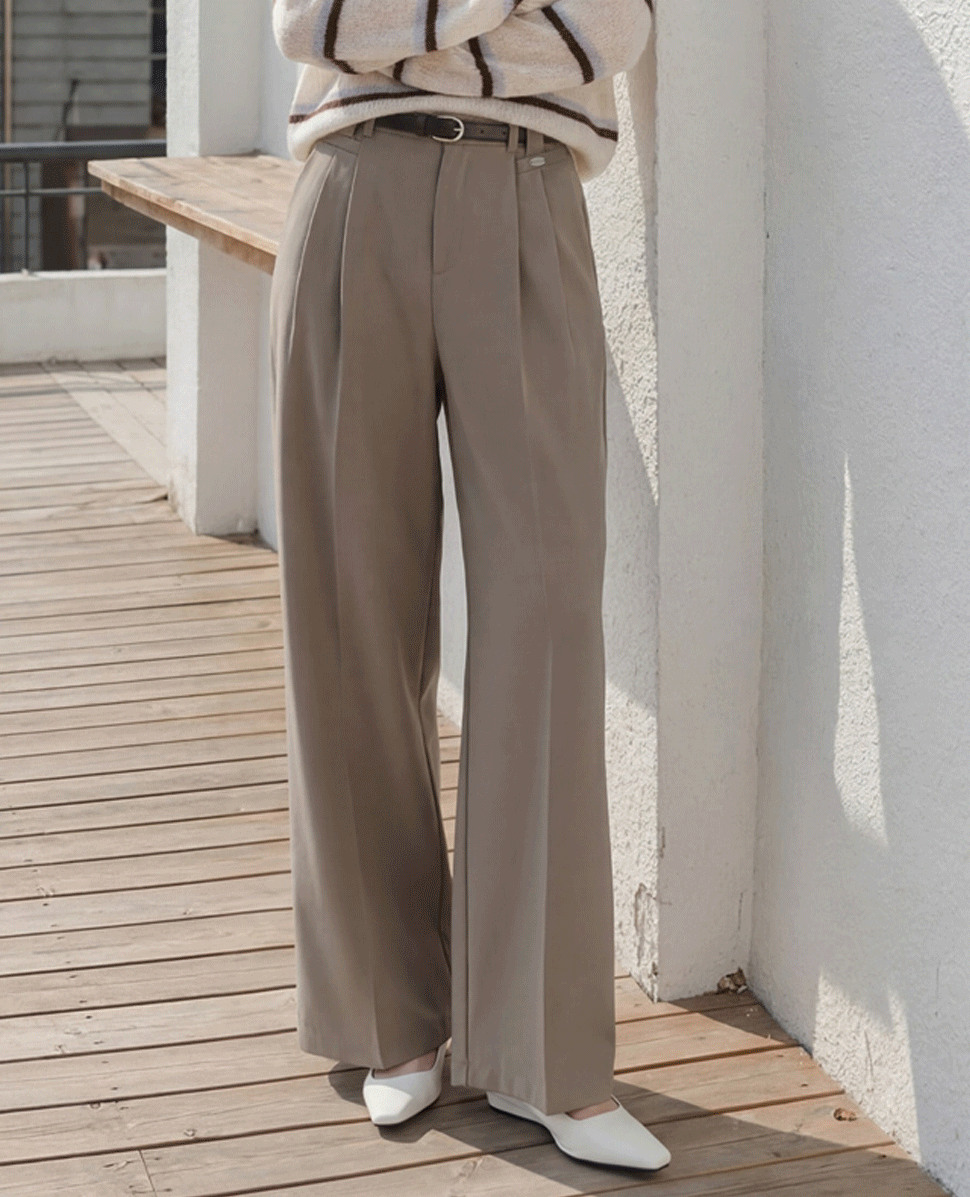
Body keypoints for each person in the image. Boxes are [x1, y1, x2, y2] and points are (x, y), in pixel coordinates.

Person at [268, 0, 670, 1172]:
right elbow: (315, 22)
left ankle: (548, 1058)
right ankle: (388, 1018)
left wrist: (417, 31)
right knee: (349, 613)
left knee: (548, 615)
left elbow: (602, 31)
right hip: (354, 192)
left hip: (529, 191)